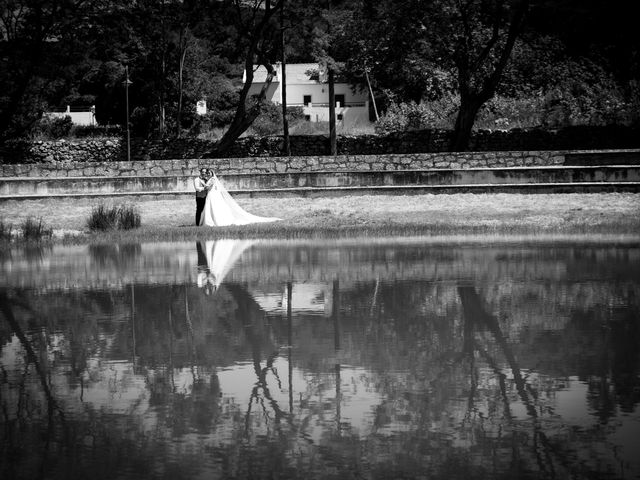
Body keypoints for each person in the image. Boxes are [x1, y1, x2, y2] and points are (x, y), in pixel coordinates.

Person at [199, 169, 280, 227]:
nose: (208, 174)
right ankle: (209, 221)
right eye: (208, 173)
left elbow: (208, 187)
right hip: (211, 195)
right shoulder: (209, 179)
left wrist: (202, 183)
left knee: (214, 208)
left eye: (210, 173)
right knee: (210, 208)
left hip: (213, 195)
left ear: (212, 174)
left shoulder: (212, 179)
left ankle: (215, 221)